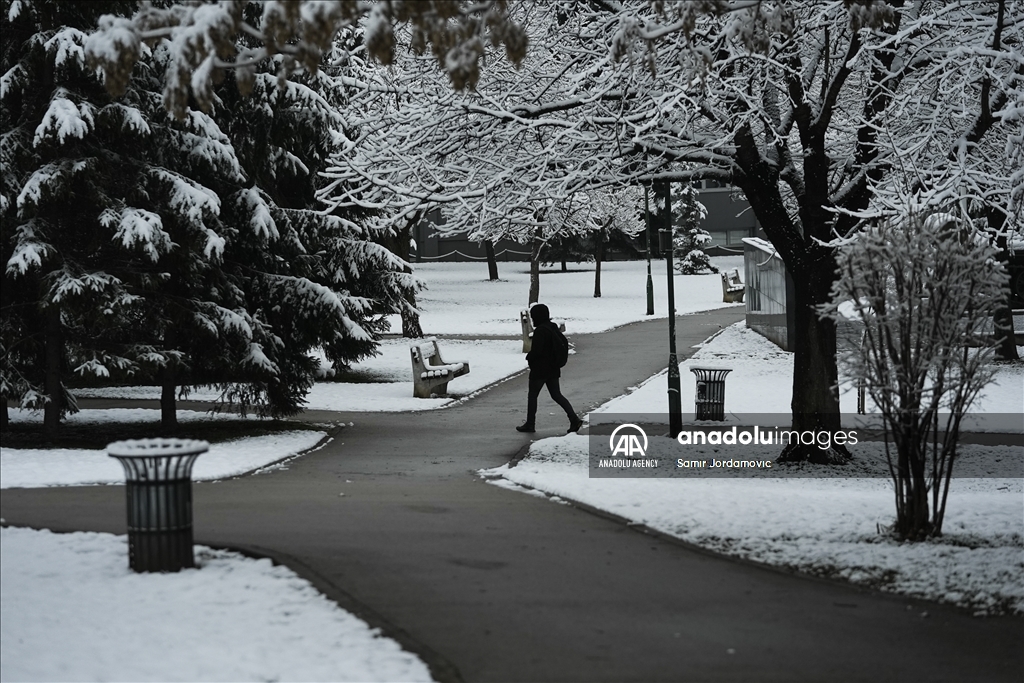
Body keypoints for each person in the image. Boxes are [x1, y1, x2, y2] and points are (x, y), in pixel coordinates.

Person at [517, 303, 583, 434]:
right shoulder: (553, 328)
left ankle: (530, 424)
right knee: (557, 395)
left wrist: (529, 358)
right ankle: (574, 419)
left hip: (540, 369)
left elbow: (537, 351)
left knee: (533, 395)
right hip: (553, 368)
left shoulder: (540, 331)